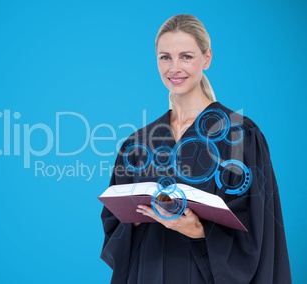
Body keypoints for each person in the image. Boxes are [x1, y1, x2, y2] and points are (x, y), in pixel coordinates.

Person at [100, 14, 291, 283]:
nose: (174, 68)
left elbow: (258, 229)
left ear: (207, 58)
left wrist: (199, 230)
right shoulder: (138, 143)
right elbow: (114, 226)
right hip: (147, 272)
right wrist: (136, 218)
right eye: (165, 57)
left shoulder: (239, 135)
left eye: (186, 56)